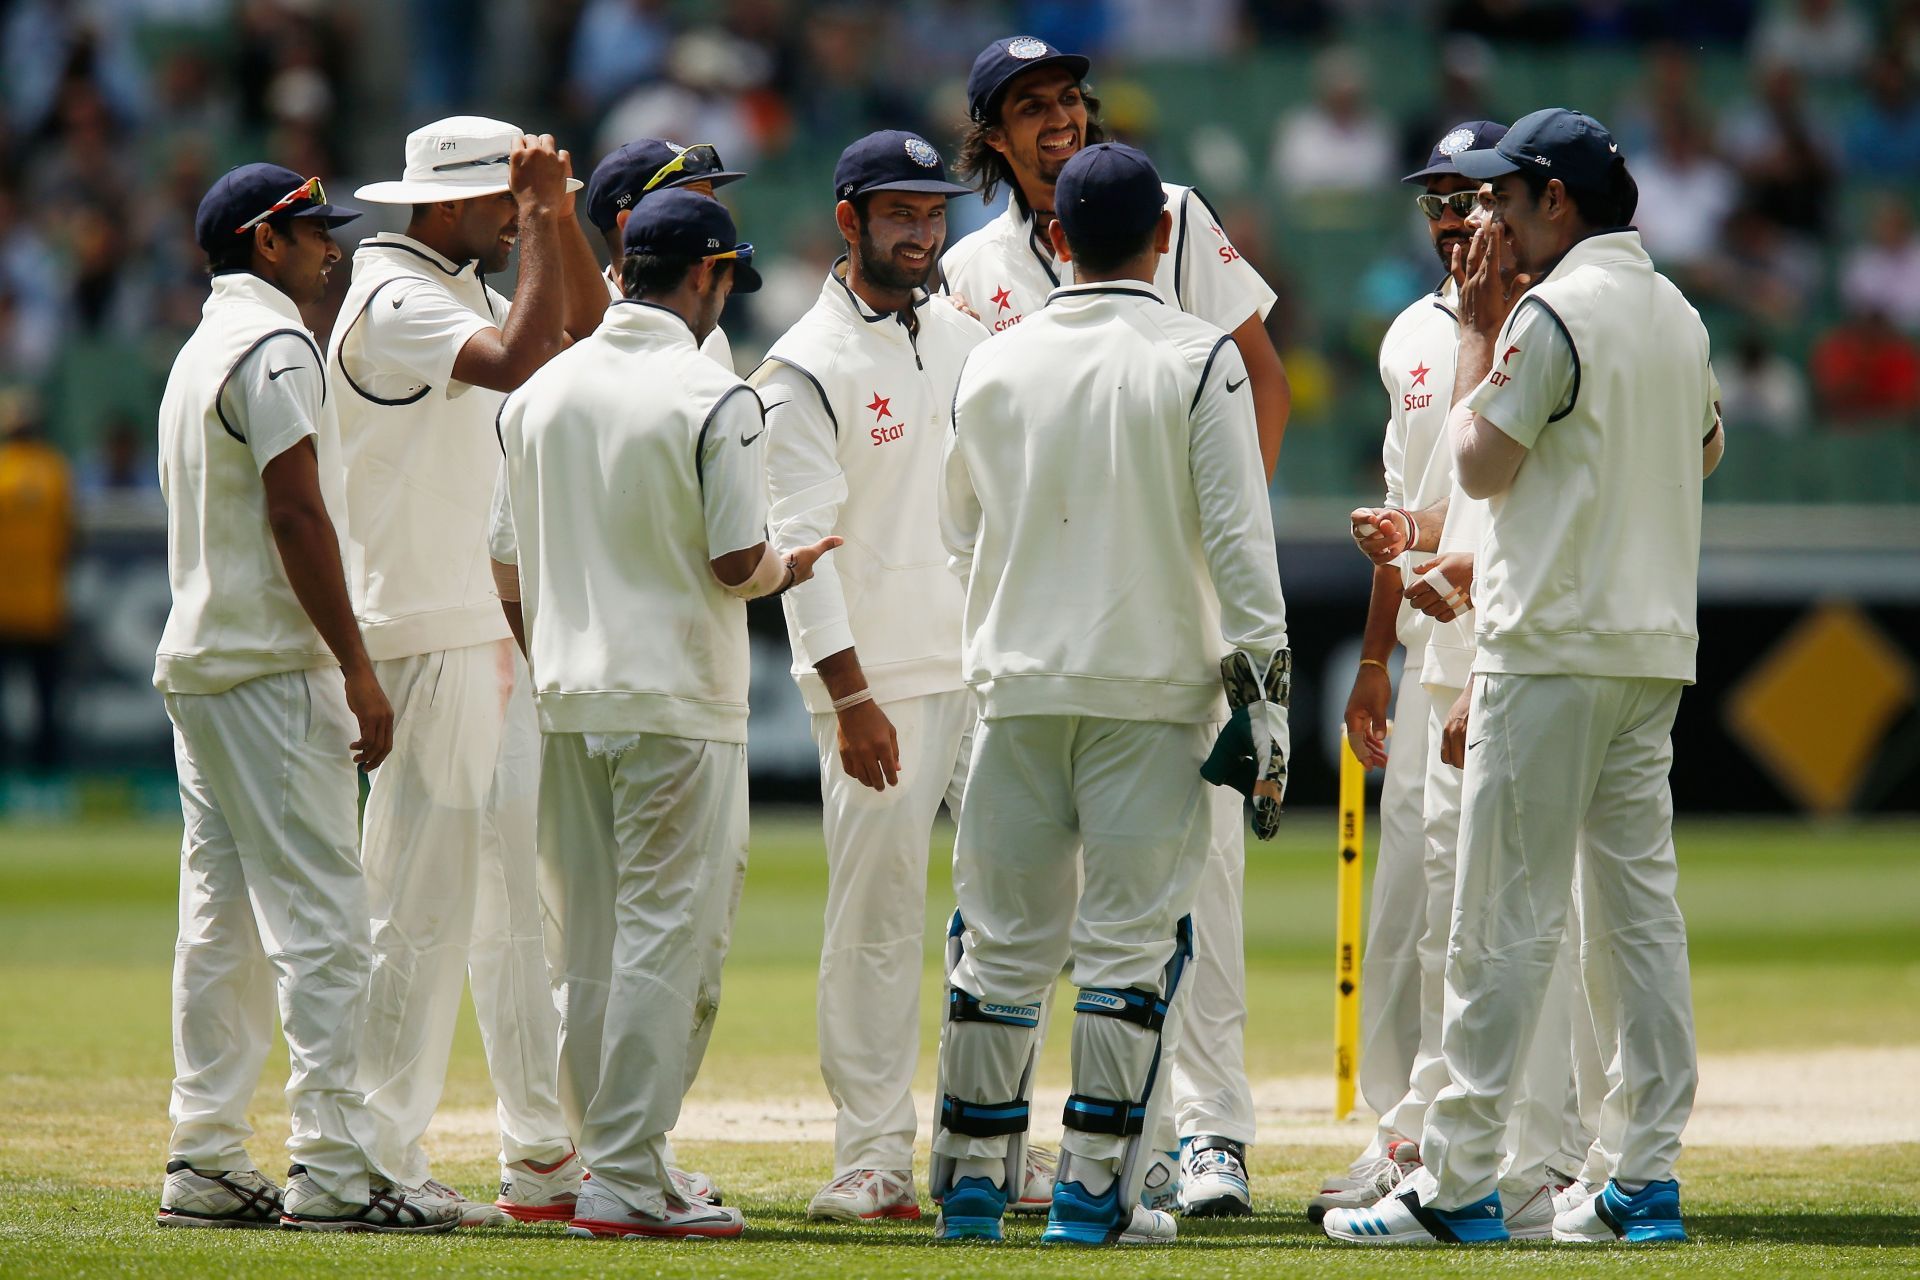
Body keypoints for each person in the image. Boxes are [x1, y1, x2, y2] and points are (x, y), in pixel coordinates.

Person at [1325, 107, 1724, 1246]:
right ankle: (1640, 1177)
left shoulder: (1550, 309)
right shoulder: (1678, 312)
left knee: (1498, 915)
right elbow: (1701, 448)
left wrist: (1486, 334)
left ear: (1559, 201)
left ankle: (1453, 1186)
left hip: (1546, 648)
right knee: (1637, 919)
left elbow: (1481, 458)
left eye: (1505, 195)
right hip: (1650, 651)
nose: (1485, 216)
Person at [941, 34, 1290, 1216]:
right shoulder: (975, 267)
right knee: (1084, 926)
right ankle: (1076, 1172)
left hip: (1153, 635)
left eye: (1070, 102)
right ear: (989, 134)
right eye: (1032, 108)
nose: (1061, 122)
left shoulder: (1173, 210)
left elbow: (1262, 385)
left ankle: (1210, 1134)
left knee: (1196, 902)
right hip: (1070, 652)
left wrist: (1188, 561)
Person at [488, 189, 839, 1239]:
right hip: (675, 699)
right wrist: (793, 560)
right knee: (660, 941)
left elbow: (505, 565)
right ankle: (628, 1177)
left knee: (591, 944)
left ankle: (603, 1160)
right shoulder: (711, 391)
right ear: (704, 276)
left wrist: (554, 645)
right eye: (726, 277)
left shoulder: (540, 390)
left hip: (569, 694)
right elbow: (737, 560)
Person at [152, 163, 456, 1233]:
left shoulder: (204, 346)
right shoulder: (275, 344)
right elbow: (296, 514)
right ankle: (332, 1165)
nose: (333, 248)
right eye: (313, 233)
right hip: (272, 665)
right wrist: (357, 664)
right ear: (263, 242)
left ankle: (205, 1153)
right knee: (326, 918)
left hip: (205, 662)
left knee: (222, 924)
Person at [1324, 131, 1599, 1236]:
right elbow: (1427, 504)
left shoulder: (1556, 322)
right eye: (1438, 201)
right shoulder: (1410, 337)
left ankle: (1558, 1147)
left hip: (1528, 651)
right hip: (1438, 657)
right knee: (1435, 916)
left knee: (1541, 913)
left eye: (1475, 199)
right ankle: (1423, 1135)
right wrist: (1379, 657)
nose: (1453, 220)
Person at [330, 115, 604, 1225]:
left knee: (500, 914)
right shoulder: (396, 300)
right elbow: (525, 359)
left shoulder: (444, 283)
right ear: (446, 204)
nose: (512, 220)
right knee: (415, 906)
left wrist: (558, 218)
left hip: (470, 627)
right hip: (423, 630)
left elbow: (582, 328)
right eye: (501, 203)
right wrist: (538, 216)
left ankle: (538, 1153)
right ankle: (364, 1157)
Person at [753, 130, 989, 1224]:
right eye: (899, 213)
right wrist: (848, 696)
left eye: (934, 212)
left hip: (983, 661)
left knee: (1009, 910)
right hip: (878, 678)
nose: (922, 231)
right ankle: (869, 1151)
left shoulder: (965, 333)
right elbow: (800, 545)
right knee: (879, 915)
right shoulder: (803, 363)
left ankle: (986, 1142)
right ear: (848, 220)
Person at [583, 137, 748, 369]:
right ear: (629, 224)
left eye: (711, 203)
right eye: (692, 205)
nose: (712, 218)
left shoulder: (712, 334)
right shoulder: (580, 326)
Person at [0, 392, 73, 772]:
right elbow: (69, 537)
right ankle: (46, 773)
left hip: (4, 607)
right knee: (45, 698)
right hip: (44, 605)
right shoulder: (54, 469)